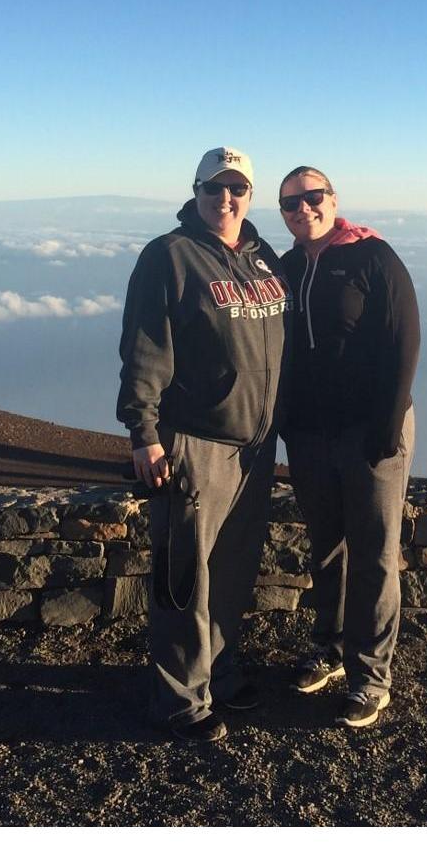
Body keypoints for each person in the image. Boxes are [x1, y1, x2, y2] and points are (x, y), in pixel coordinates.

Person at [117, 146, 290, 744]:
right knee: (184, 576)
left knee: (234, 572)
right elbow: (144, 348)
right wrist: (144, 433)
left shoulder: (263, 258)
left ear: (250, 194)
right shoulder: (170, 257)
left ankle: (218, 671)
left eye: (237, 188)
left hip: (256, 447)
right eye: (214, 188)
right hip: (196, 443)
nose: (226, 199)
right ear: (195, 192)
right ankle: (178, 700)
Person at [277, 166, 420, 729]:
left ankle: (371, 677)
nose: (303, 209)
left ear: (333, 200)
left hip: (370, 431)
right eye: (291, 203)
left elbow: (404, 338)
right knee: (327, 549)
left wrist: (386, 427)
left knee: (376, 555)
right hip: (311, 434)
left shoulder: (373, 257)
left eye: (313, 198)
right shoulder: (287, 266)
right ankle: (329, 649)